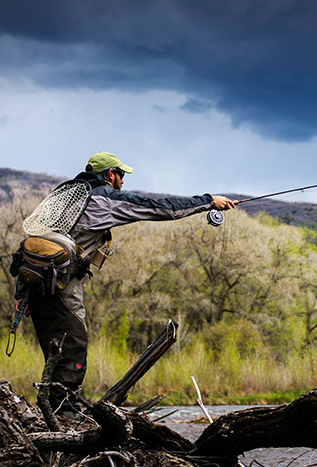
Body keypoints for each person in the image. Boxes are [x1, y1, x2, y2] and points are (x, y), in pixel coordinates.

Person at [28, 151, 237, 417]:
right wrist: (208, 202)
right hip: (62, 285)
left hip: (35, 284)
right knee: (73, 346)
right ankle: (64, 416)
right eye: (121, 175)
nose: (123, 181)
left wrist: (23, 297)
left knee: (54, 351)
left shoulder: (66, 194)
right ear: (109, 175)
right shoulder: (104, 197)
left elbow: (36, 242)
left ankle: (53, 411)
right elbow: (159, 207)